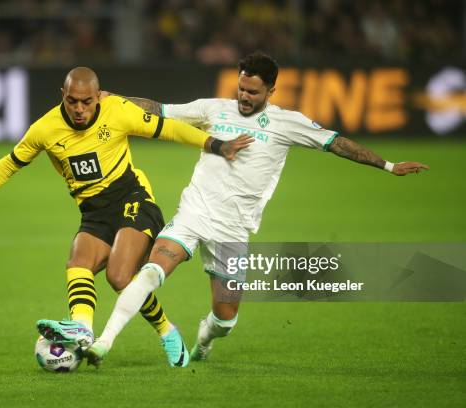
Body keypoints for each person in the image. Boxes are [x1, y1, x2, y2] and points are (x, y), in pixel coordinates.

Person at [75, 51, 429, 367]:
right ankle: (104, 344)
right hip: (194, 213)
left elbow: (337, 144)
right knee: (152, 271)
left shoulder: (287, 123)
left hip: (233, 230)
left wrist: (387, 165)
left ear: (271, 92)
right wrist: (115, 99)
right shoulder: (214, 109)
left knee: (225, 319)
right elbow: (161, 109)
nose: (244, 97)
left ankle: (204, 339)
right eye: (241, 89)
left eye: (253, 92)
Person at [0, 67, 252, 367]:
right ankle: (84, 329)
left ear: (98, 96)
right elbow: (10, 163)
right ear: (62, 95)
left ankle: (166, 331)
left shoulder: (118, 112)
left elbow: (170, 130)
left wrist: (215, 144)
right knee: (77, 263)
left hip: (132, 199)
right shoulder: (45, 128)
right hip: (93, 211)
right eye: (72, 101)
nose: (79, 109)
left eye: (86, 102)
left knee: (119, 277)